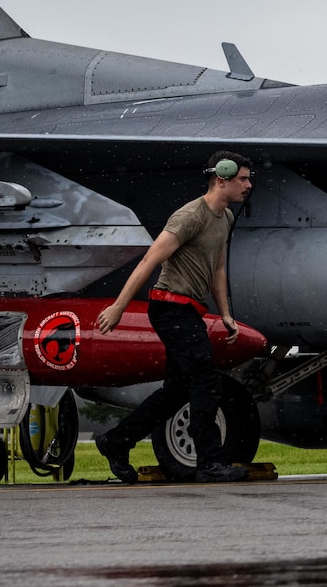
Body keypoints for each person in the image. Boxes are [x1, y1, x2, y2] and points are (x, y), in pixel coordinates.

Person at [92, 152, 254, 483]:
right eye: (243, 179)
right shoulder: (189, 216)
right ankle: (210, 461)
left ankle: (115, 441)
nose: (249, 185)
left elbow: (218, 268)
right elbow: (149, 260)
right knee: (206, 380)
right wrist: (119, 307)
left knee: (177, 391)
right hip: (170, 307)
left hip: (190, 310)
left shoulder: (225, 219)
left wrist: (225, 314)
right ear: (220, 179)